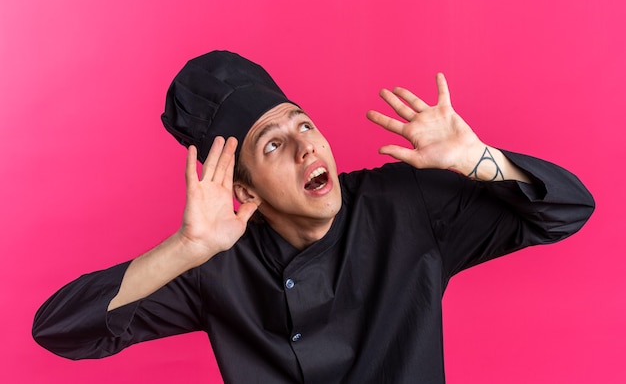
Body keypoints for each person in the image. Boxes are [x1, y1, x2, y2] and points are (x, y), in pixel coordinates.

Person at [32, 51, 595, 384]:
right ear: (242, 186)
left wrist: (477, 161)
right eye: (272, 145)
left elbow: (565, 211)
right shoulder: (215, 263)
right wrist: (185, 248)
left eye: (302, 125)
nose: (306, 149)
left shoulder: (405, 205)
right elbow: (60, 330)